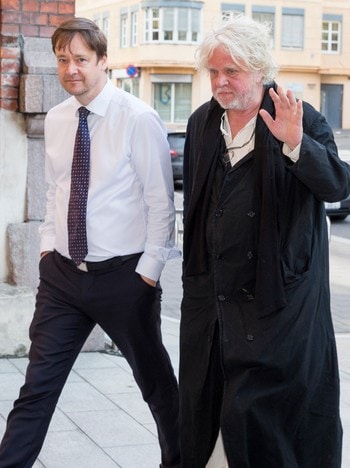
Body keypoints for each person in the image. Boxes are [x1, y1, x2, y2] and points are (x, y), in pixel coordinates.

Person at [0, 17, 181, 468]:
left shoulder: (138, 118)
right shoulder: (60, 118)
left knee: (155, 385)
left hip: (125, 278)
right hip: (62, 277)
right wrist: (46, 251)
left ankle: (180, 461)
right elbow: (55, 190)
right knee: (37, 387)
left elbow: (161, 203)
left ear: (103, 61)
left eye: (81, 59)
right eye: (63, 59)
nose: (71, 69)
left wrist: (147, 275)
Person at [179, 15, 349, 468]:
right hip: (214, 305)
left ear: (258, 68)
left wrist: (297, 146)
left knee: (263, 423)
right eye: (213, 71)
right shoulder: (202, 122)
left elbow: (338, 185)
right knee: (206, 414)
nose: (220, 81)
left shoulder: (298, 115)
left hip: (278, 307)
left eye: (230, 71)